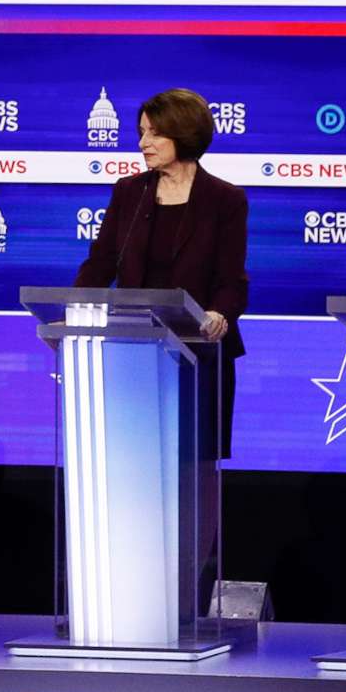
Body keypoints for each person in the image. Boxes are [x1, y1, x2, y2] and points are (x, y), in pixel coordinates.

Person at [73, 87, 249, 613]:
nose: (143, 142)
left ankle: (184, 592)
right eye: (141, 131)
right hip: (134, 359)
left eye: (154, 132)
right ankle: (130, 585)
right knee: (134, 470)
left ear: (184, 133)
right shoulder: (130, 193)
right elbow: (100, 263)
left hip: (200, 357)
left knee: (193, 474)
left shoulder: (225, 199)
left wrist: (220, 313)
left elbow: (232, 280)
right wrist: (75, 312)